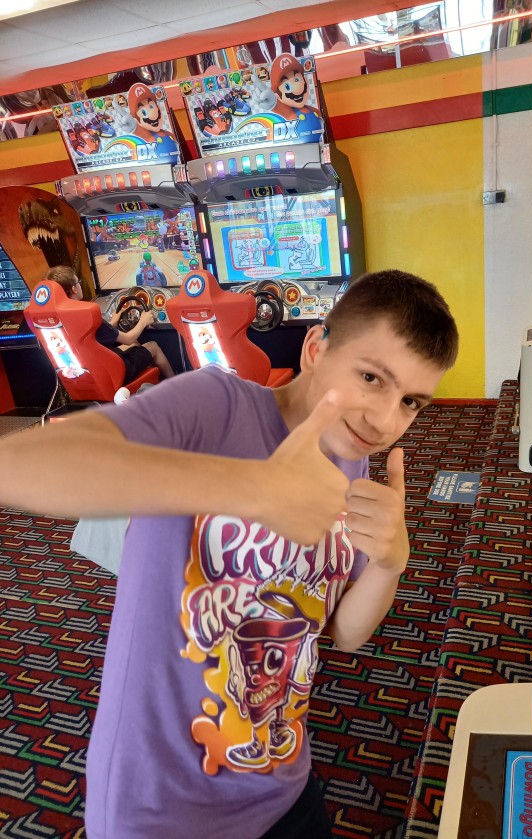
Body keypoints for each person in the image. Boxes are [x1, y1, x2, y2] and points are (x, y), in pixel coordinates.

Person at [0, 269, 458, 837]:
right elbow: (16, 468)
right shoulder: (215, 404)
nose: (385, 420)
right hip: (161, 807)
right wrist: (251, 489)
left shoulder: (351, 459)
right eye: (371, 377)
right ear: (316, 348)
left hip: (283, 778)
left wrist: (391, 561)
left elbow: (342, 631)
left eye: (411, 401)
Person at [44, 265, 174, 381]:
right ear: (74, 289)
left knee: (135, 345)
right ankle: (175, 386)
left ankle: (149, 381)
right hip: (113, 372)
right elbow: (128, 338)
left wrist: (112, 323)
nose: (80, 285)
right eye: (79, 282)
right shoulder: (87, 313)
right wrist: (143, 321)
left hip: (88, 371)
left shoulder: (55, 319)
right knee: (152, 345)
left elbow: (92, 336)